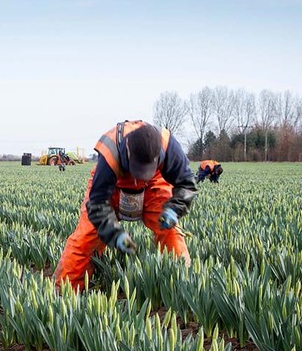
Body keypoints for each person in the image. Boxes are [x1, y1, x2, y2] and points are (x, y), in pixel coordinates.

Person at [53, 120, 197, 292]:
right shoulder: (110, 152)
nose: (140, 176)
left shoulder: (169, 146)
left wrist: (175, 209)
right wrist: (114, 234)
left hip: (154, 183)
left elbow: (187, 185)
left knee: (170, 232)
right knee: (86, 236)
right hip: (114, 184)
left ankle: (184, 288)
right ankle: (64, 292)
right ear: (127, 150)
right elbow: (97, 204)